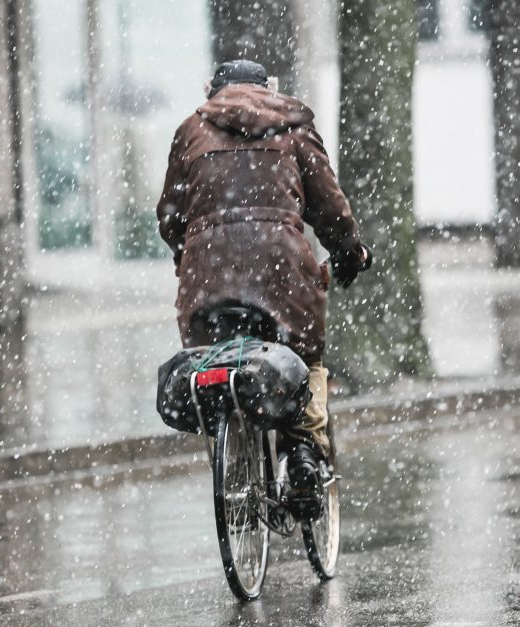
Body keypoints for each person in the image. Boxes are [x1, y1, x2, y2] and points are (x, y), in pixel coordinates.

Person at [155, 59, 371, 503]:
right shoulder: (293, 126)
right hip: (282, 274)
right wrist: (350, 251)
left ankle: (229, 449)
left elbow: (170, 217)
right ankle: (303, 453)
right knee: (303, 357)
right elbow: (329, 208)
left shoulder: (189, 132)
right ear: (270, 88)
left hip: (206, 277)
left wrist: (190, 253)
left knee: (214, 357)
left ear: (210, 88)